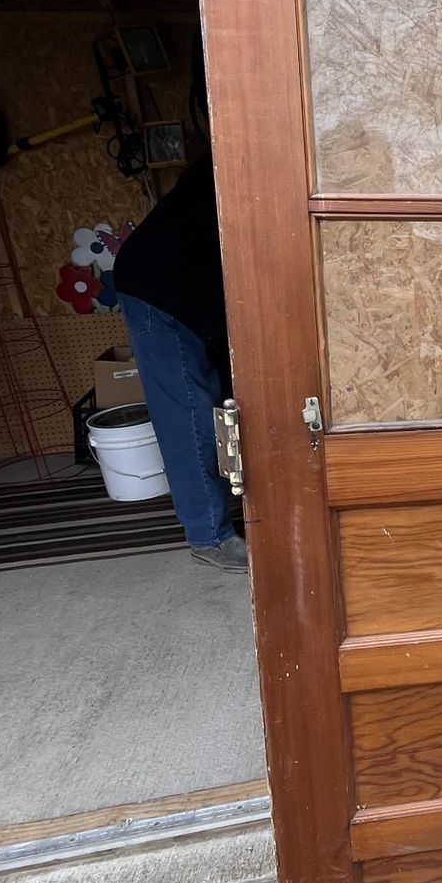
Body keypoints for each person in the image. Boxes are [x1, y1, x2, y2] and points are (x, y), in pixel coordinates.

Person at [112, 150, 246, 573]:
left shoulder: (238, 164)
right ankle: (209, 537)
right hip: (159, 291)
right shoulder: (241, 167)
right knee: (188, 415)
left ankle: (232, 507)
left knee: (218, 403)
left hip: (179, 290)